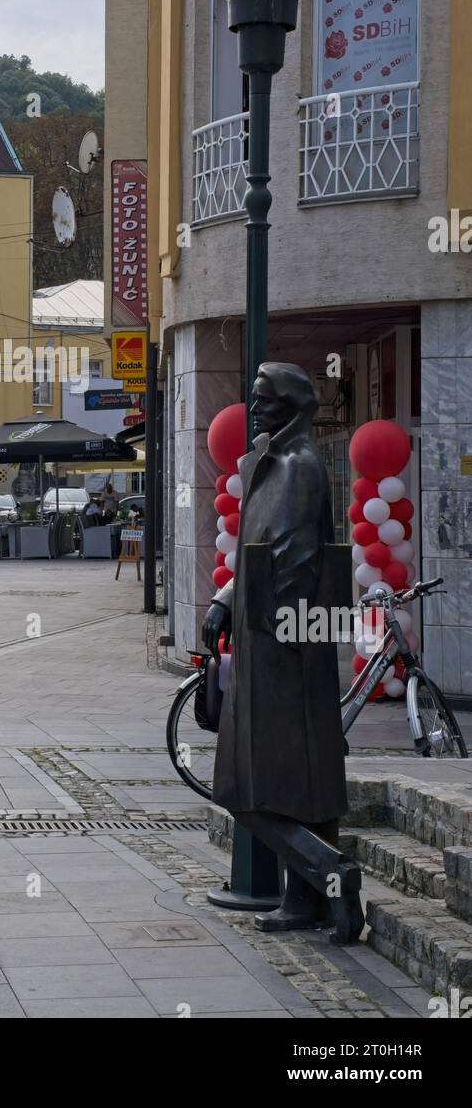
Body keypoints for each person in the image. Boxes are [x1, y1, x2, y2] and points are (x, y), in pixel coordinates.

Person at [201, 362, 361, 944]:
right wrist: (223, 599)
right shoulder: (272, 465)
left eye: (263, 400)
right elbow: (254, 551)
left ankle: (331, 873)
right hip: (270, 638)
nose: (254, 409)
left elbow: (293, 562)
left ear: (291, 408)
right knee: (304, 787)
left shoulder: (298, 469)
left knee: (247, 787)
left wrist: (269, 638)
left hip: (282, 648)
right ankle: (312, 902)